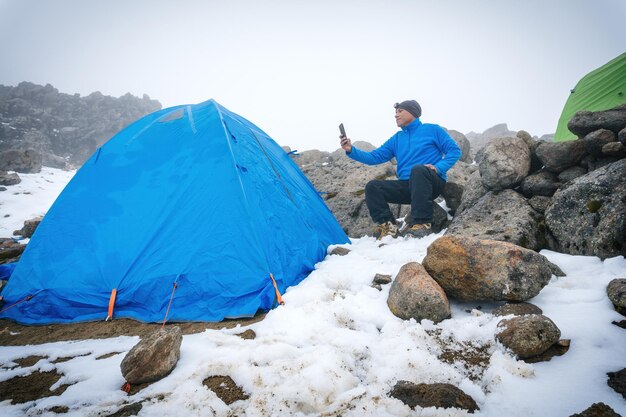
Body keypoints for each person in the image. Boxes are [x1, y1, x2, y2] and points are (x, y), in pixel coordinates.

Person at [340, 100, 461, 239]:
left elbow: (454, 151)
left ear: (413, 112)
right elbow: (374, 157)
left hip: (431, 181)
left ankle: (422, 222)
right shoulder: (397, 138)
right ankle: (388, 226)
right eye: (395, 113)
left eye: (400, 111)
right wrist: (351, 150)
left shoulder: (433, 130)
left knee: (418, 170)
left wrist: (438, 167)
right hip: (408, 187)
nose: (396, 116)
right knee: (373, 187)